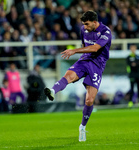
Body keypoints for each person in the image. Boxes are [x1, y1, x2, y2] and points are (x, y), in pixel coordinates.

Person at [44, 10, 112, 142]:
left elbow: (94, 48)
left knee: (89, 100)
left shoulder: (105, 32)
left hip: (97, 65)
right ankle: (52, 91)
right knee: (68, 76)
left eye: (87, 24)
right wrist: (79, 54)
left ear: (94, 22)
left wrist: (73, 51)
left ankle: (82, 127)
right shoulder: (83, 30)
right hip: (84, 60)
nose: (85, 27)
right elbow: (84, 46)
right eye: (83, 24)